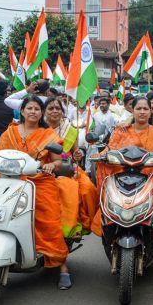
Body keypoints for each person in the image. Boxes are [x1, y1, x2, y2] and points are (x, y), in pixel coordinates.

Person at [0, 95, 72, 289]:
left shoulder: (49, 135)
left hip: (38, 181)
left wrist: (50, 166)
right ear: (22, 111)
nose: (33, 112)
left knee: (49, 218)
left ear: (41, 113)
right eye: (29, 108)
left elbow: (58, 161)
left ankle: (62, 267)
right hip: (9, 180)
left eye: (37, 109)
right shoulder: (10, 132)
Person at [93, 96, 153, 285]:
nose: (142, 112)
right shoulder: (121, 130)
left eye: (146, 108)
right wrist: (99, 156)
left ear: (151, 111)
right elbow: (109, 149)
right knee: (107, 206)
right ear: (132, 110)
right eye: (139, 108)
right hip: (122, 175)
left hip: (151, 177)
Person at [43, 97, 98, 236]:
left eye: (58, 108)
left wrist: (78, 155)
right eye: (51, 108)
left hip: (68, 169)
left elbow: (75, 154)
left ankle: (81, 225)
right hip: (43, 169)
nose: (55, 111)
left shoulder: (70, 130)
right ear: (44, 111)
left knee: (88, 188)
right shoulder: (39, 129)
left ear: (62, 112)